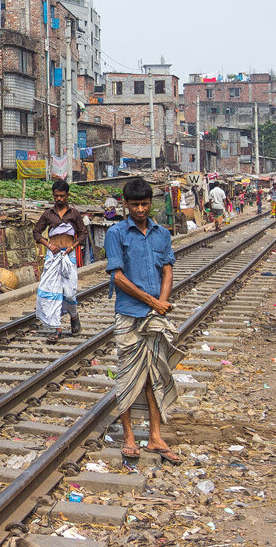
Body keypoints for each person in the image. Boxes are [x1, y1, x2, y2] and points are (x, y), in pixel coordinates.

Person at [104, 177, 182, 465]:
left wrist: (161, 303)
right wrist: (153, 302)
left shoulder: (162, 234)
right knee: (127, 376)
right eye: (135, 204)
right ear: (126, 205)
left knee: (156, 375)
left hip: (154, 315)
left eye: (145, 204)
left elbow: (168, 270)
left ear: (151, 204)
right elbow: (118, 277)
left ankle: (155, 436)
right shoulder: (116, 233)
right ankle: (127, 436)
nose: (140, 209)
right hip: (129, 312)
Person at [32, 178, 89, 342]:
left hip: (68, 256)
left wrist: (74, 246)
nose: (59, 199)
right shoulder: (48, 214)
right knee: (53, 291)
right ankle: (57, 328)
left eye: (62, 196)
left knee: (69, 292)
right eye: (56, 196)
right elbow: (36, 232)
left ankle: (74, 316)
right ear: (53, 195)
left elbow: (83, 233)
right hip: (53, 256)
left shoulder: (74, 214)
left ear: (67, 195)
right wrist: (48, 245)